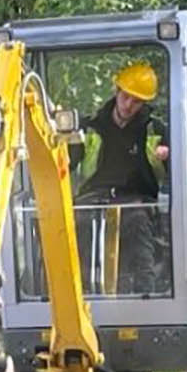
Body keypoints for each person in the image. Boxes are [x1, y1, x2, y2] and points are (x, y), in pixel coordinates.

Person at [68, 62, 172, 294]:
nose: (128, 105)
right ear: (116, 91)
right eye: (125, 97)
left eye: (136, 101)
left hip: (137, 201)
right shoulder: (90, 127)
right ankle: (78, 294)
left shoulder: (155, 130)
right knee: (77, 226)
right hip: (92, 200)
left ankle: (147, 294)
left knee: (138, 227)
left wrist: (168, 156)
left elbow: (186, 164)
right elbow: (67, 162)